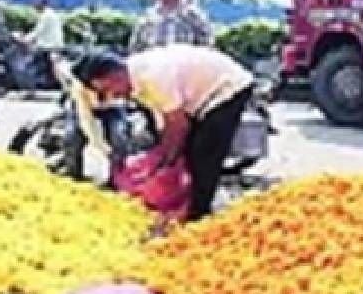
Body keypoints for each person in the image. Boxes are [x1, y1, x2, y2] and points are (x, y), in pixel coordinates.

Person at [73, 45, 254, 221]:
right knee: (186, 150)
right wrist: (162, 156)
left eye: (107, 90)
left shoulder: (152, 77)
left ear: (115, 75)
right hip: (198, 95)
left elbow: (178, 125)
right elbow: (165, 120)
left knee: (204, 151)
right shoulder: (134, 80)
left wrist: (167, 159)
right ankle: (185, 200)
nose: (111, 97)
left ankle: (197, 213)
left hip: (228, 86)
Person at [129, 0, 213, 54]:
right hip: (155, 66)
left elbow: (207, 50)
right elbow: (135, 51)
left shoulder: (194, 17)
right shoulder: (147, 19)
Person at [24, 0, 64, 89]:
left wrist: (26, 39)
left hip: (49, 46)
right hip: (53, 45)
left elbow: (38, 31)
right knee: (51, 69)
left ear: (42, 4)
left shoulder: (46, 15)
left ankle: (33, 87)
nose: (34, 5)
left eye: (36, 3)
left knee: (32, 66)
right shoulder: (50, 14)